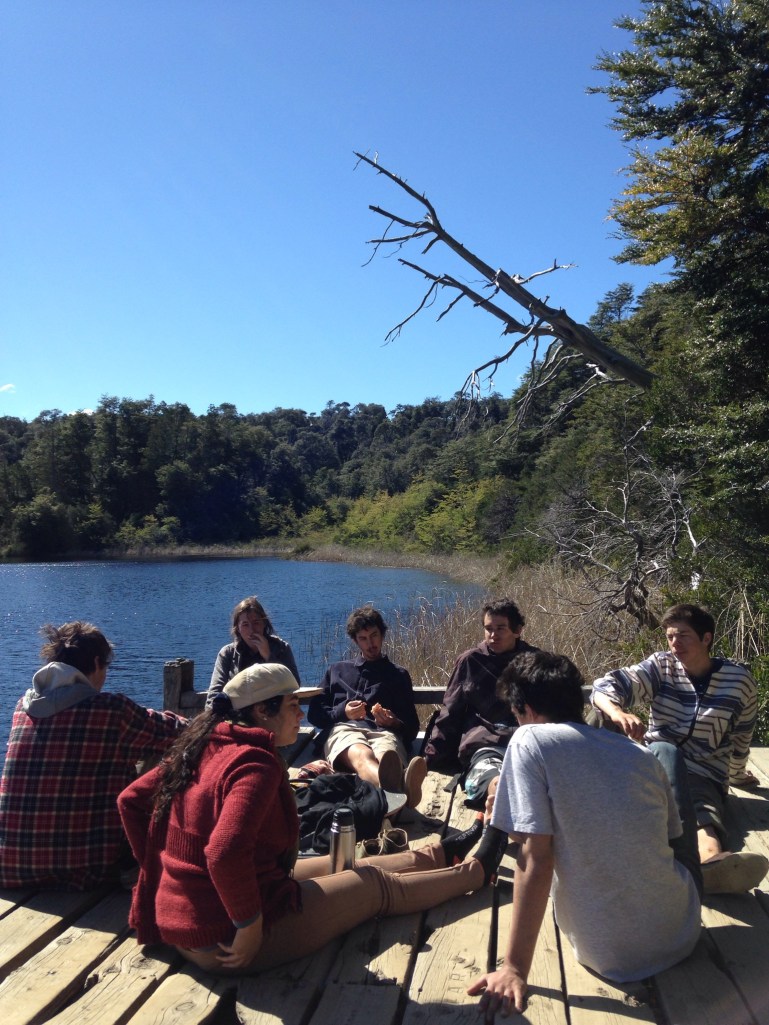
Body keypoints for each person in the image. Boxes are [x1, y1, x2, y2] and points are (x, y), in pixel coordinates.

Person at [118, 662, 506, 974]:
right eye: (291, 705)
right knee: (372, 886)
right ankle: (475, 872)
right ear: (262, 711)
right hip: (224, 941)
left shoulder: (205, 744)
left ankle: (442, 854)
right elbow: (224, 853)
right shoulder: (253, 764)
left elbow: (131, 801)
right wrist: (248, 925)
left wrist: (159, 874)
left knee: (345, 863)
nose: (300, 714)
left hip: (186, 924)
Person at [469, 651, 703, 1019]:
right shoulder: (640, 755)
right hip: (681, 932)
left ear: (527, 710)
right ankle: (707, 863)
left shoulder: (529, 739)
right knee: (666, 753)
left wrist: (514, 968)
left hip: (608, 952)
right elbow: (670, 836)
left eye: (516, 715)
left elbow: (535, 858)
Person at [591, 603, 768, 894]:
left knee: (703, 812)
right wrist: (618, 712)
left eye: (683, 635)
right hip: (654, 759)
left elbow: (741, 735)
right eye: (670, 636)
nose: (675, 643)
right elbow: (605, 687)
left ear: (706, 638)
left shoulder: (738, 681)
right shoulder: (661, 667)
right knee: (607, 722)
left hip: (703, 770)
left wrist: (736, 775)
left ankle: (712, 864)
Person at [0, 621, 186, 890]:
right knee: (160, 753)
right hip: (90, 870)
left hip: (12, 867)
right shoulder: (112, 709)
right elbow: (182, 732)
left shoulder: (23, 708)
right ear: (97, 663)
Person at [307, 606, 427, 808]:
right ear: (355, 641)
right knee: (361, 754)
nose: (370, 644)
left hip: (385, 732)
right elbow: (314, 714)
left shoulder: (398, 675)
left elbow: (412, 728)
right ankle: (401, 790)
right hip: (345, 730)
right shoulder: (337, 670)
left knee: (386, 756)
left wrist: (394, 722)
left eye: (374, 636)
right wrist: (342, 712)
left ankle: (392, 792)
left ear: (382, 635)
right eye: (363, 638)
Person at [423, 599, 537, 806]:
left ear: (517, 630)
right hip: (485, 743)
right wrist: (432, 756)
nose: (493, 635)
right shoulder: (471, 661)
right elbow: (450, 710)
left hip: (529, 743)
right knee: (496, 782)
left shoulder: (535, 662)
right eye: (488, 628)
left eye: (500, 628)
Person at [207, 596, 300, 705]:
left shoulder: (281, 648)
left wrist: (269, 657)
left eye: (256, 623)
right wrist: (214, 713)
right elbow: (214, 693)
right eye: (245, 625)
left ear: (264, 624)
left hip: (272, 712)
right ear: (238, 628)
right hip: (237, 711)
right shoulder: (227, 653)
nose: (252, 630)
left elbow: (294, 684)